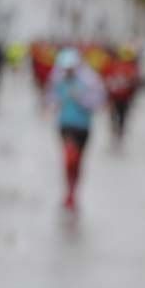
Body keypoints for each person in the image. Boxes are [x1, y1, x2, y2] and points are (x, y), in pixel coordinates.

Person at [48, 48, 105, 211]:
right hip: (65, 125)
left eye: (70, 67)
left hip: (83, 126)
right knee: (68, 158)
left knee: (78, 162)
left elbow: (98, 103)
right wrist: (55, 101)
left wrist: (80, 98)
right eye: (65, 67)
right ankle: (68, 190)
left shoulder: (90, 80)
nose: (68, 70)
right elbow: (51, 97)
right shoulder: (58, 78)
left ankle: (73, 191)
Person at [101, 45, 139, 145]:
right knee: (115, 116)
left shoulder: (131, 67)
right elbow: (105, 79)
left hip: (124, 97)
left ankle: (118, 132)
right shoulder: (112, 65)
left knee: (121, 116)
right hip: (115, 97)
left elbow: (134, 83)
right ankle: (116, 132)